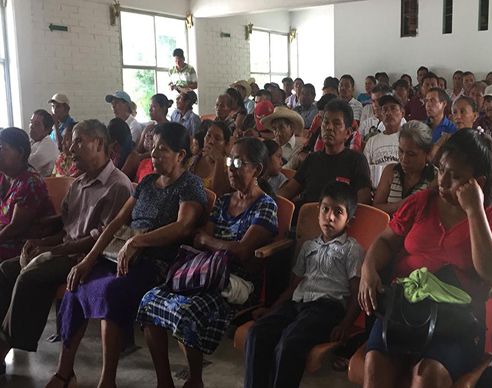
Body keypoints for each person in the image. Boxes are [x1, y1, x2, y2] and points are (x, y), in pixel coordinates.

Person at [47, 122, 206, 388]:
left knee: (112, 291)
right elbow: (117, 222)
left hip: (161, 262)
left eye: (162, 150)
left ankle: (107, 379)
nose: (154, 155)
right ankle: (64, 372)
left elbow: (183, 226)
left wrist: (138, 242)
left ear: (181, 155)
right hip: (122, 256)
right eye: (152, 148)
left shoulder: (191, 185)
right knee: (77, 283)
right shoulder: (146, 182)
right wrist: (88, 259)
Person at [359, 129, 492, 388]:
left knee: (427, 375)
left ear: (479, 182)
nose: (442, 182)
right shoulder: (422, 201)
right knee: (375, 366)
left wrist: (475, 210)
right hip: (404, 309)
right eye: (441, 170)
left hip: (455, 321)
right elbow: (386, 240)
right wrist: (369, 269)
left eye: (455, 177)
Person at [137, 137, 278, 388]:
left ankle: (195, 379)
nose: (231, 168)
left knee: (187, 312)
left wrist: (212, 241)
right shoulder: (224, 201)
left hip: (236, 282)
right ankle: (164, 381)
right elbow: (200, 240)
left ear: (256, 169)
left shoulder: (265, 206)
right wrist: (218, 244)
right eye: (229, 160)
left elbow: (242, 252)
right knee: (149, 301)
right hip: (204, 272)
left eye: (239, 162)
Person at [0, 120, 132, 377]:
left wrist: (52, 251)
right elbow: (65, 227)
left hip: (89, 257)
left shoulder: (117, 185)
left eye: (79, 141)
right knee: (5, 269)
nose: (71, 148)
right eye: (72, 141)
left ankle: (6, 345)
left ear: (100, 144)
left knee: (31, 275)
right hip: (66, 248)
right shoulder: (79, 182)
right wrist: (40, 243)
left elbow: (102, 238)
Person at [245, 181, 363, 388]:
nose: (330, 217)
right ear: (319, 211)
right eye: (325, 209)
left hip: (326, 309)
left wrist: (345, 324)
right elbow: (293, 286)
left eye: (338, 212)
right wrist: (272, 310)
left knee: (290, 342)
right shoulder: (309, 246)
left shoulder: (352, 249)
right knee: (258, 332)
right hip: (297, 303)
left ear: (349, 221)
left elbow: (356, 292)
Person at [278, 99, 372, 208]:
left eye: (336, 124)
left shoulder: (357, 161)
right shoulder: (312, 159)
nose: (329, 128)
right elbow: (289, 189)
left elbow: (363, 202)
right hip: (305, 219)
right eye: (326, 122)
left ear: (348, 133)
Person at [0, 127, 54, 261]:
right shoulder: (4, 177)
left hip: (24, 245)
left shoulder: (30, 182)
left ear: (20, 152)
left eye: (3, 148)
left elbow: (15, 228)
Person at [373, 120, 436, 216]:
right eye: (401, 151)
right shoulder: (391, 172)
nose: (404, 159)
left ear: (427, 153)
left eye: (411, 154)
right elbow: (375, 209)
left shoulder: (435, 178)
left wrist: (393, 208)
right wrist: (405, 204)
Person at [363, 95, 404, 186]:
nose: (388, 113)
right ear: (381, 114)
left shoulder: (408, 140)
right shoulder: (371, 142)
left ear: (402, 113)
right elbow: (365, 171)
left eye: (393, 108)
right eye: (385, 109)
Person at [189, 120, 232, 196]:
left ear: (226, 144)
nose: (211, 141)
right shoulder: (193, 160)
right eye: (208, 136)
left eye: (217, 138)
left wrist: (219, 161)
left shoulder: (229, 167)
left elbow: (218, 194)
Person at [28, 109, 60, 177]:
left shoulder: (49, 144)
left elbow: (29, 164)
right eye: (31, 122)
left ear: (47, 130)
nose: (31, 126)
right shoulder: (32, 141)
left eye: (37, 124)